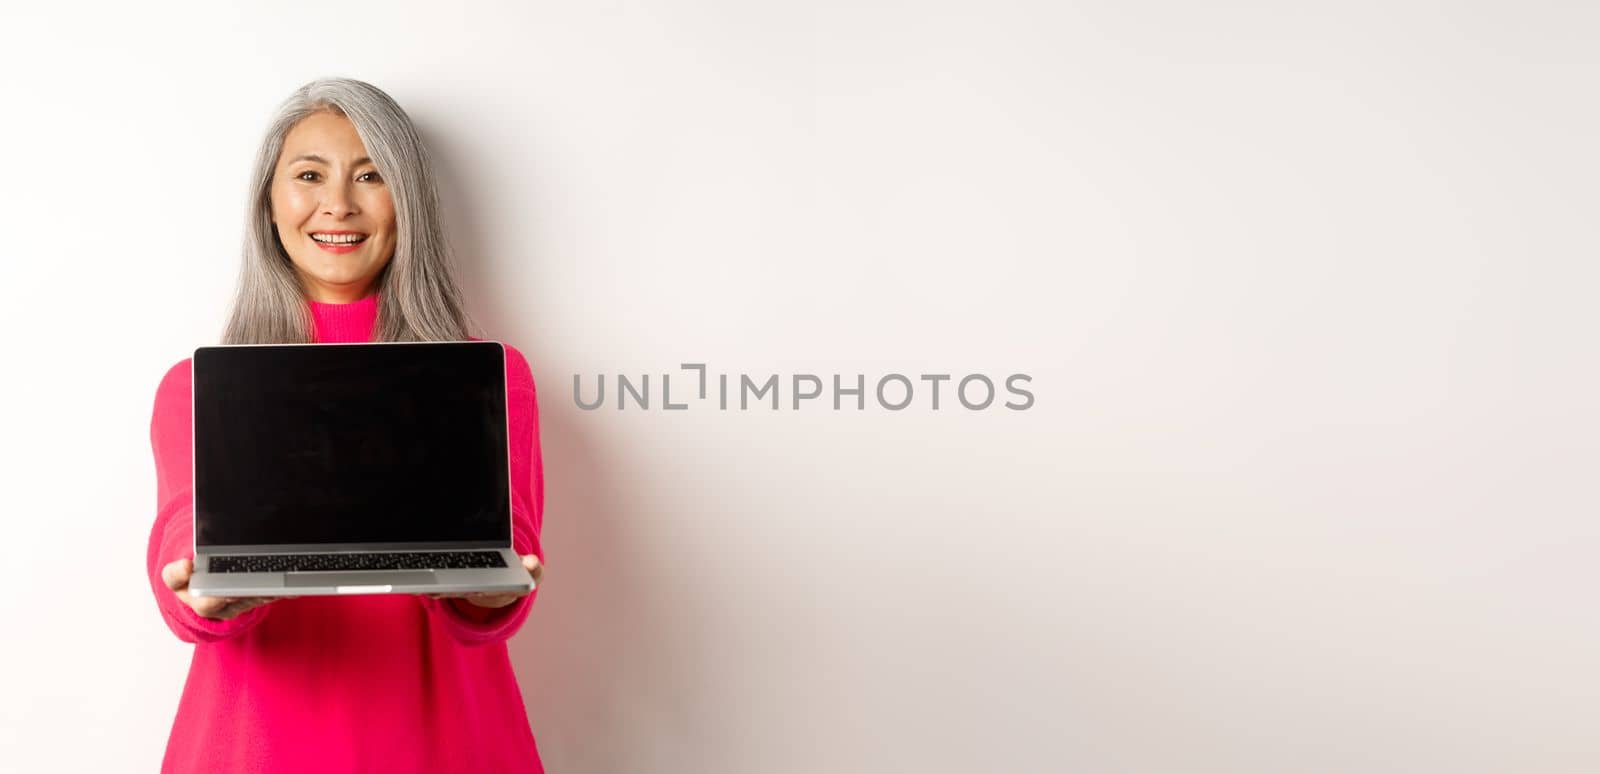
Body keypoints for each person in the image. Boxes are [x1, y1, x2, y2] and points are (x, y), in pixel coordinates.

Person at [144, 78, 549, 773]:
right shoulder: (195, 388)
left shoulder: (494, 379)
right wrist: (205, 591)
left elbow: (511, 549)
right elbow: (181, 532)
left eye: (372, 174)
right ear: (268, 207)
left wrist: (486, 591)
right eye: (309, 175)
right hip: (254, 748)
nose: (339, 203)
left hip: (445, 744)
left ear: (408, 204)